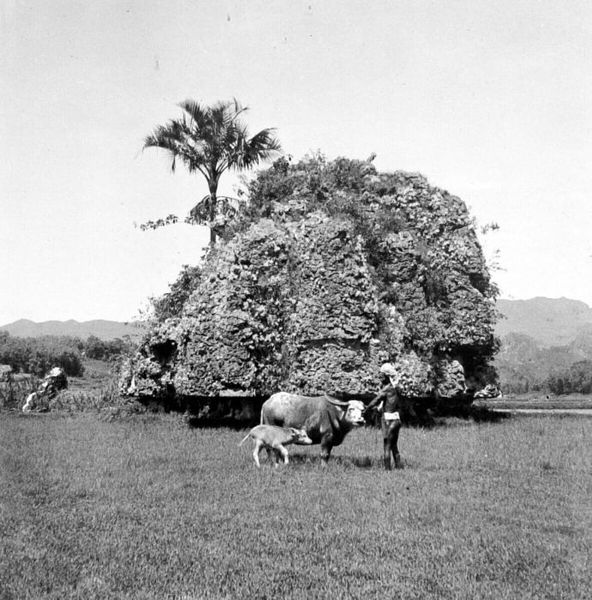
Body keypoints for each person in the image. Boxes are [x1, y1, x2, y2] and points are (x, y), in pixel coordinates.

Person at [365, 362, 404, 470]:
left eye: (382, 375)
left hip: (388, 420)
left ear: (387, 376)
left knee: (386, 446)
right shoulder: (396, 388)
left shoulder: (386, 389)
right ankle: (399, 468)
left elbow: (377, 400)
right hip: (397, 419)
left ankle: (387, 471)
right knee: (394, 446)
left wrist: (367, 408)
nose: (380, 377)